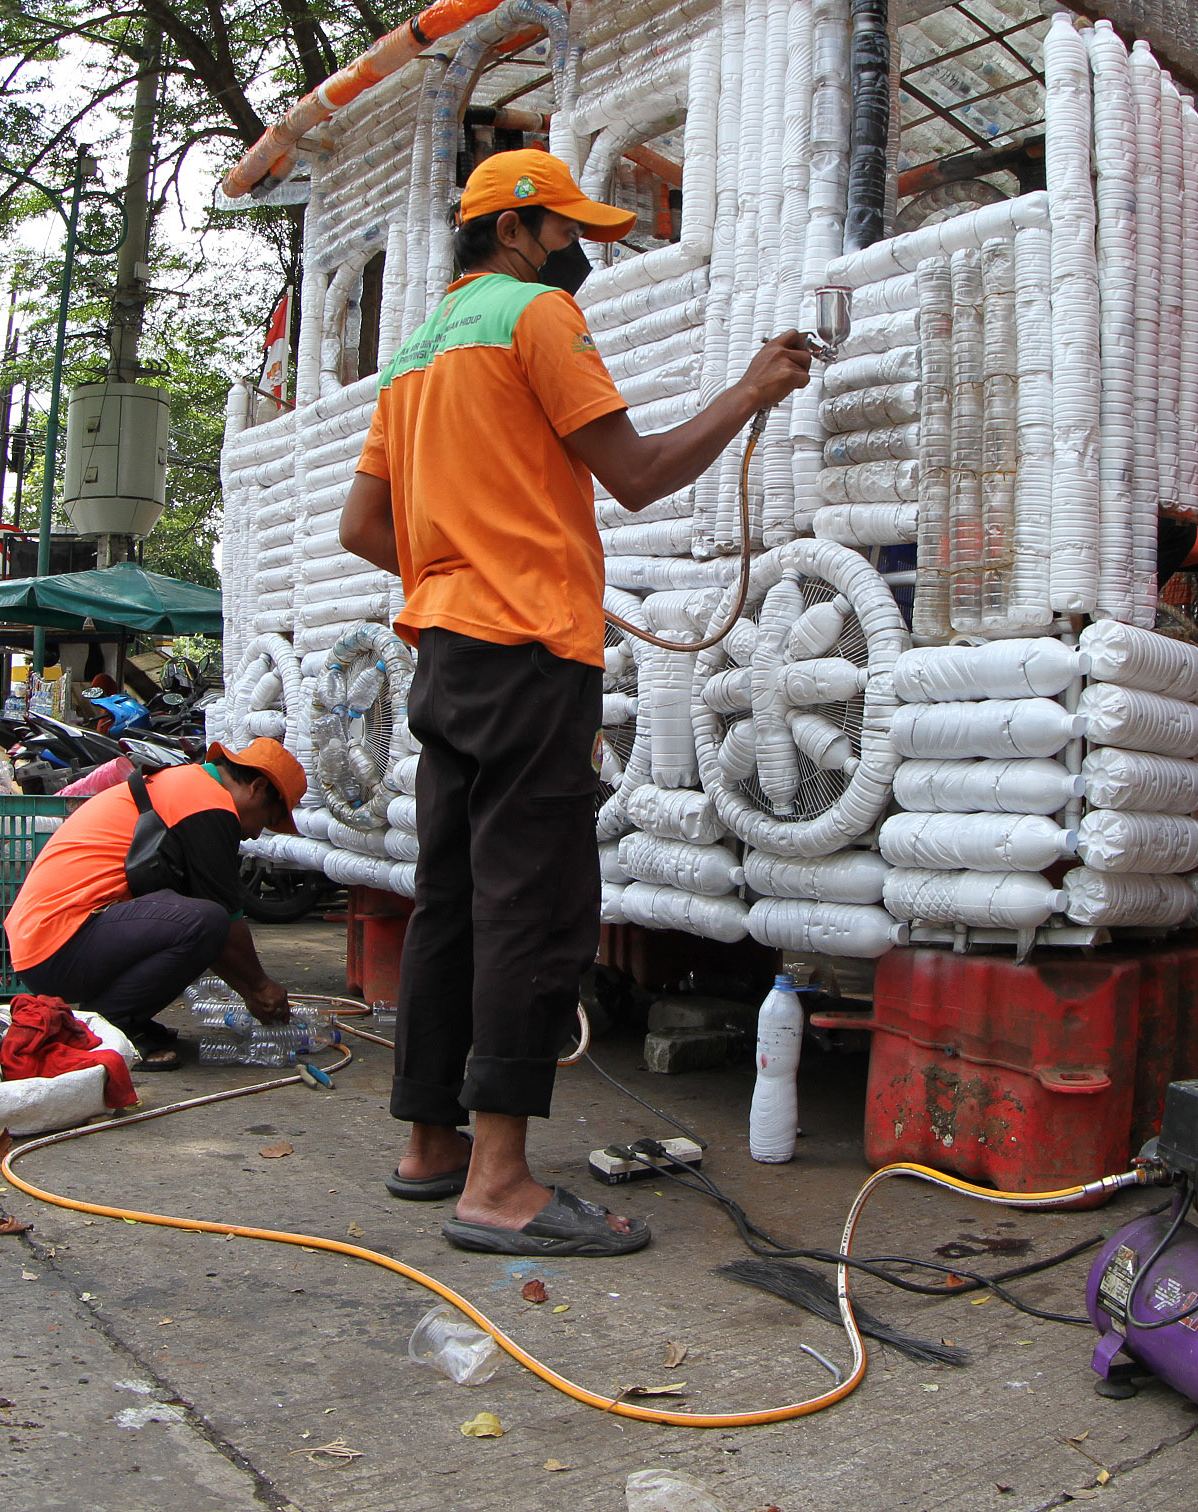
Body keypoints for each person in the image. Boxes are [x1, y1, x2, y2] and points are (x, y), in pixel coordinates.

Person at [338, 148, 812, 1257]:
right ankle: (499, 1186)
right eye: (568, 232)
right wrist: (753, 389)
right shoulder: (536, 316)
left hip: (448, 656)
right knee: (535, 904)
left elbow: (361, 528)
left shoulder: (418, 350)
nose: (580, 255)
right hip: (529, 656)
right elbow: (638, 475)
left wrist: (462, 571)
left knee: (450, 897)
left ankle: (432, 1144)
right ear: (513, 230)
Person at [3, 738, 309, 1071]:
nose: (256, 835)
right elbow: (225, 921)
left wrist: (251, 989)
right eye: (266, 818)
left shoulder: (187, 786)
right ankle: (112, 1026)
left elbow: (215, 938)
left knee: (199, 922)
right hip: (57, 943)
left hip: (46, 945)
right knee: (206, 920)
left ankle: (122, 1016)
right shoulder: (207, 801)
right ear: (257, 787)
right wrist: (260, 988)